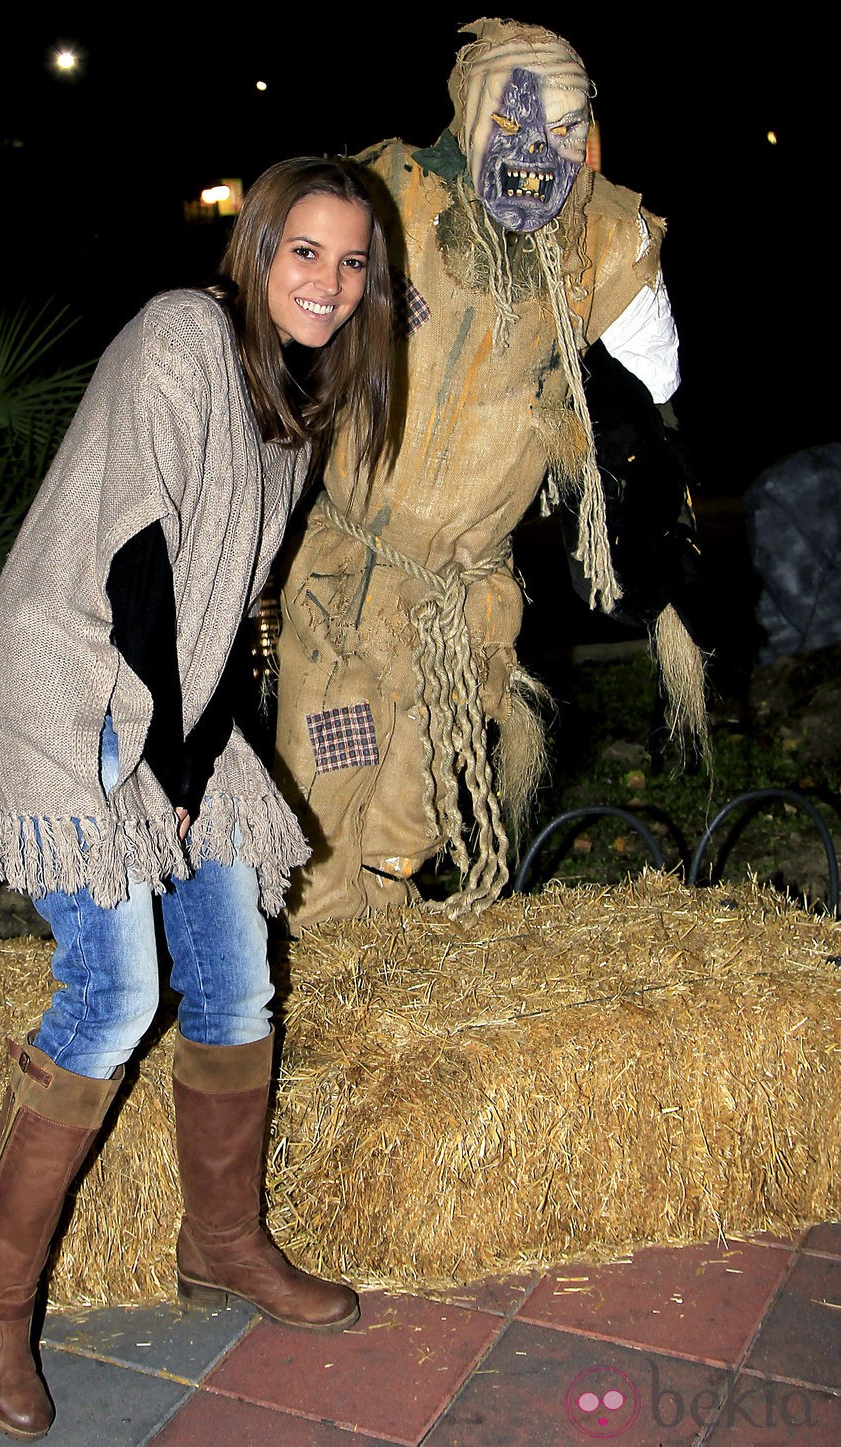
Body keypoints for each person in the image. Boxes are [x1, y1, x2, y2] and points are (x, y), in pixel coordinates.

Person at [0, 155, 393, 1441]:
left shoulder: (296, 403)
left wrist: (198, 763)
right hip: (70, 679)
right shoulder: (187, 331)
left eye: (353, 263)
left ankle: (222, 1244)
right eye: (305, 251)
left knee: (234, 975)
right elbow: (136, 559)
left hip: (170, 701)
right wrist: (169, 779)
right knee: (117, 988)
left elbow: (221, 604)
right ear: (258, 253)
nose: (329, 282)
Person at [274, 18, 707, 933]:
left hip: (467, 599)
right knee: (321, 795)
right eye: (512, 126)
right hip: (350, 588)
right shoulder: (387, 199)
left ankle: (379, 970)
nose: (532, 155)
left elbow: (658, 379)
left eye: (559, 131)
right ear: (467, 117)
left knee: (416, 802)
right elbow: (285, 302)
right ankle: (303, 979)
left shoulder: (595, 243)